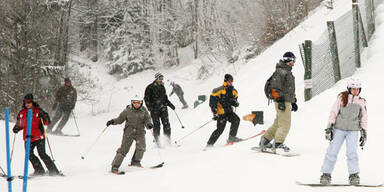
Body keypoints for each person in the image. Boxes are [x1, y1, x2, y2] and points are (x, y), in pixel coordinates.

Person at [319, 78, 367, 185]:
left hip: (353, 131)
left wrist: (364, 133)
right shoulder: (342, 98)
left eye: (357, 89)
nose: (355, 91)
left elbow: (364, 118)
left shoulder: (361, 102)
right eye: (353, 89)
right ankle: (326, 174)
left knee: (352, 153)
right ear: (349, 89)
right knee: (332, 151)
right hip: (339, 129)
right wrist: (329, 127)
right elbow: (333, 112)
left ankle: (354, 175)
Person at [258, 51, 298, 152]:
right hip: (282, 101)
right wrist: (280, 101)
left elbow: (288, 89)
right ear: (289, 60)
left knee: (278, 123)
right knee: (285, 124)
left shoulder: (286, 71)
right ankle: (278, 144)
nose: (294, 62)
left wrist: (293, 101)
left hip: (285, 101)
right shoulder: (281, 72)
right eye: (293, 60)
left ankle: (265, 140)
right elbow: (275, 88)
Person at [13, 94, 60, 176]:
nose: (27, 104)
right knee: (29, 154)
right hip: (28, 138)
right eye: (26, 102)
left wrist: (44, 117)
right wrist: (16, 127)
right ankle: (39, 170)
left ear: (32, 102)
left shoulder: (38, 111)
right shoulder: (22, 113)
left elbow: (47, 122)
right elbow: (20, 123)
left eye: (29, 102)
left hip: (39, 137)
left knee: (42, 153)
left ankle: (53, 170)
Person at [106, 95, 154, 174]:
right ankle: (115, 166)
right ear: (132, 103)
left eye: (138, 102)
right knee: (123, 150)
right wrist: (112, 121)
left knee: (141, 147)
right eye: (134, 102)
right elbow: (120, 119)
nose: (136, 104)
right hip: (129, 132)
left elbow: (147, 119)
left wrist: (149, 124)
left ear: (141, 103)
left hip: (140, 132)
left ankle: (136, 161)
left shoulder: (144, 110)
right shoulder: (127, 110)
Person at [206, 74, 241, 148]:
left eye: (232, 81)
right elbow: (212, 103)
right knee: (220, 130)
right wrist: (214, 113)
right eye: (229, 81)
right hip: (221, 113)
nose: (231, 83)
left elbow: (235, 100)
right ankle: (209, 144)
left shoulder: (234, 91)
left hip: (229, 112)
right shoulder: (218, 90)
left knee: (236, 120)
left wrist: (235, 103)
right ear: (225, 81)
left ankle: (232, 137)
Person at [144, 73, 175, 146]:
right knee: (157, 125)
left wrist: (170, 105)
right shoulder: (150, 87)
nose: (161, 80)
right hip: (155, 110)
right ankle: (157, 142)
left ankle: (167, 141)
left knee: (166, 124)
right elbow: (146, 99)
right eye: (159, 78)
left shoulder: (162, 87)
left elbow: (165, 98)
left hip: (163, 108)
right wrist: (150, 108)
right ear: (156, 78)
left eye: (162, 78)